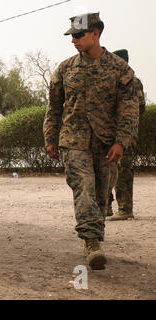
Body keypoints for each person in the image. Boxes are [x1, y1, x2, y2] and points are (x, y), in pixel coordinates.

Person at [43, 13, 139, 270]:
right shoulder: (65, 69)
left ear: (95, 33)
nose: (73, 40)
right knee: (83, 188)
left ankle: (94, 237)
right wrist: (50, 139)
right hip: (75, 141)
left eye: (78, 35)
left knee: (101, 195)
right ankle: (92, 242)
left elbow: (129, 109)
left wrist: (121, 141)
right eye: (71, 36)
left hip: (107, 143)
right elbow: (53, 107)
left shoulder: (121, 70)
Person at [107, 49, 146, 221]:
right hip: (109, 133)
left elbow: (138, 109)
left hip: (125, 134)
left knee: (123, 169)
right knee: (105, 167)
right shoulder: (113, 80)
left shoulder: (132, 82)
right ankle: (105, 206)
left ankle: (125, 209)